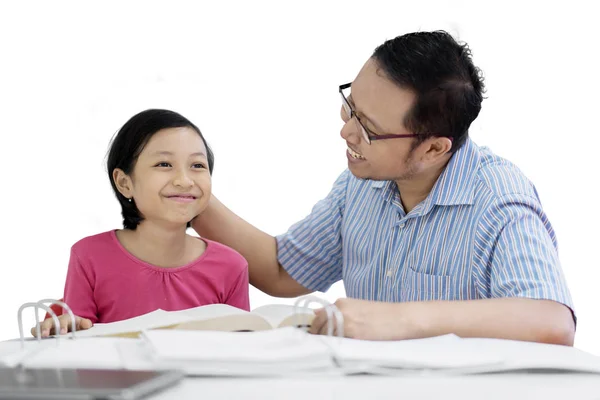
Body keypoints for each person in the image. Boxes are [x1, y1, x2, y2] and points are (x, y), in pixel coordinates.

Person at [192, 31, 576, 345]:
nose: (346, 131)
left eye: (368, 128)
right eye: (350, 106)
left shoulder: (500, 202)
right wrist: (191, 193)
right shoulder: (363, 185)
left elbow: (552, 321)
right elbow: (280, 270)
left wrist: (400, 319)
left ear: (433, 148)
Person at [32, 109, 249, 337]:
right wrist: (63, 327)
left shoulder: (232, 267)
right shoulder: (89, 256)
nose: (184, 181)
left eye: (197, 165)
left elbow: (239, 351)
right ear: (124, 182)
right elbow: (78, 343)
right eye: (164, 164)